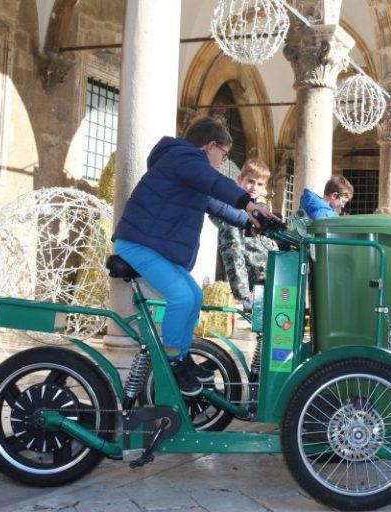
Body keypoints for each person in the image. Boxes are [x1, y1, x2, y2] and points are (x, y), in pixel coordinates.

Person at [112, 116, 278, 396]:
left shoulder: (189, 171)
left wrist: (252, 222)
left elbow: (219, 205)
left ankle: (183, 357)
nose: (222, 162)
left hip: (152, 246)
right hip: (137, 244)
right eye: (223, 155)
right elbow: (215, 184)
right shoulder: (184, 158)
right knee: (182, 297)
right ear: (209, 146)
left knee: (194, 296)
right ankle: (174, 363)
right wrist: (250, 205)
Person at [211, 158, 278, 308]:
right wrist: (244, 296)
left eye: (260, 184)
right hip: (250, 287)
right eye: (251, 181)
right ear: (240, 179)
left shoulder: (262, 209)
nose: (254, 187)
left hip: (270, 281)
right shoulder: (231, 211)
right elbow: (233, 250)